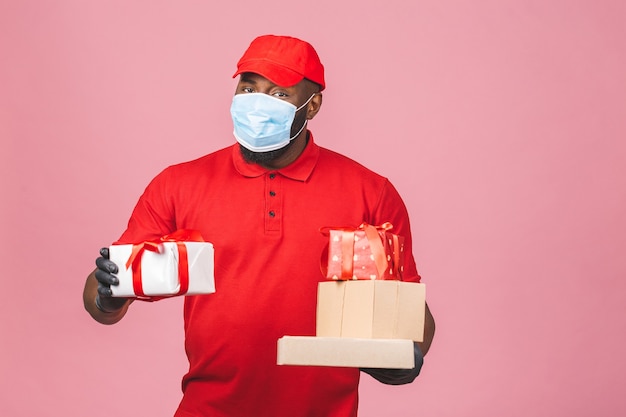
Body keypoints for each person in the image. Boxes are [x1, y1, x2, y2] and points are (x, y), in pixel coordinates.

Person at [83, 34, 435, 417]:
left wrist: (406, 355)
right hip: (208, 409)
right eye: (249, 87)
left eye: (279, 94)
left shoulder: (370, 192)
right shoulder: (178, 184)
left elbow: (411, 316)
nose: (257, 103)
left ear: (312, 105)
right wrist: (108, 294)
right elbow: (102, 304)